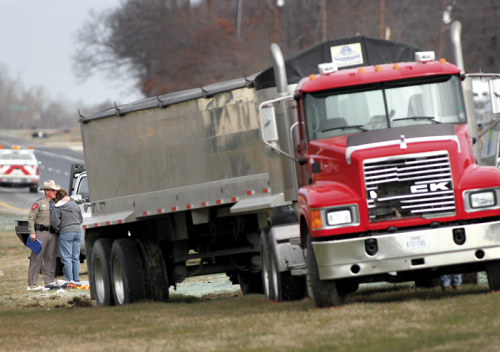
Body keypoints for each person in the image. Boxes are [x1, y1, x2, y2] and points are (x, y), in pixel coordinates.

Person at [27, 180, 60, 287]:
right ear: (47, 192)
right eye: (53, 190)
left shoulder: (56, 204)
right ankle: (32, 282)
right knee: (36, 258)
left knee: (50, 257)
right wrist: (32, 232)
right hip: (41, 233)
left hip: (52, 234)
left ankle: (49, 281)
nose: (55, 192)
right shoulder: (39, 203)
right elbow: (31, 218)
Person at [50, 188, 83, 283]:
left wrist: (58, 230)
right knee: (75, 257)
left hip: (66, 232)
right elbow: (80, 219)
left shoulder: (58, 206)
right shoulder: (75, 205)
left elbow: (55, 222)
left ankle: (69, 279)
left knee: (67, 257)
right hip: (77, 232)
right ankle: (76, 279)